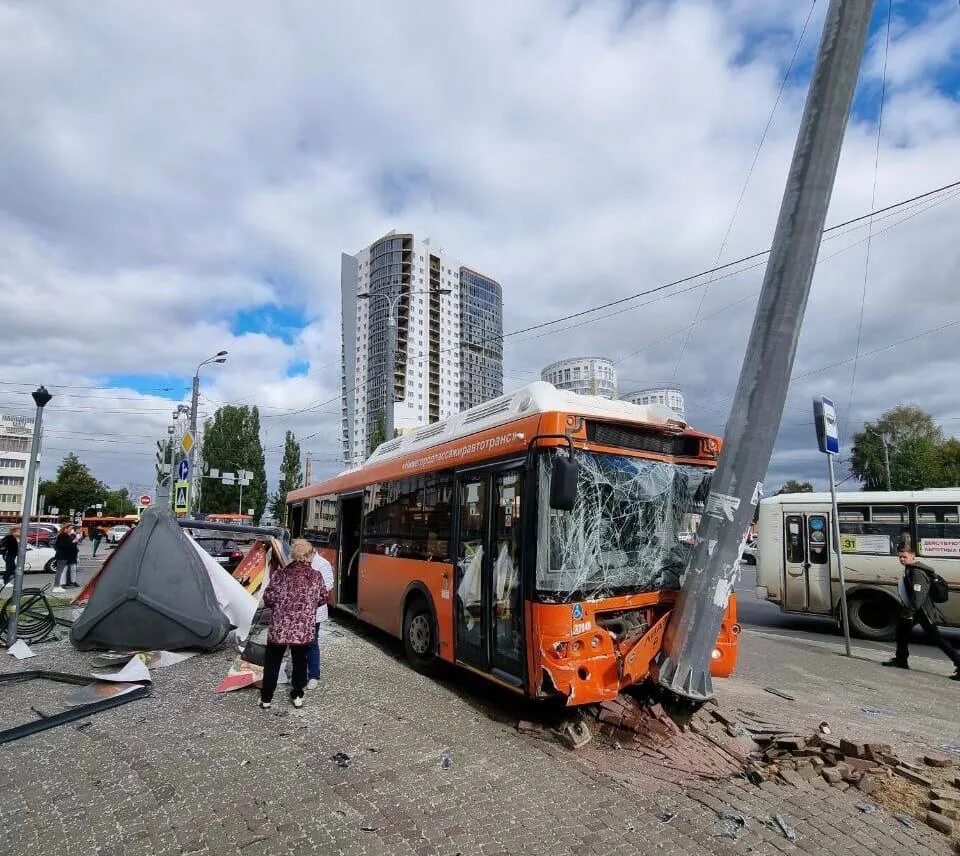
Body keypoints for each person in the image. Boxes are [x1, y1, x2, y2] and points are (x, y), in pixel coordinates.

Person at [259, 539, 328, 710]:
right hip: (302, 630)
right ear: (309, 556)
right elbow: (322, 598)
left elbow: (268, 599)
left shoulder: (280, 575)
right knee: (300, 662)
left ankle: (266, 698)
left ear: (292, 555)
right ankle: (297, 695)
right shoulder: (315, 576)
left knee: (272, 662)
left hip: (279, 629)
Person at [883, 547, 960, 680]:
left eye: (904, 557)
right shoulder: (910, 569)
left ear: (913, 557)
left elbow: (919, 595)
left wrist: (910, 611)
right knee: (902, 633)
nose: (901, 559)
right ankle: (901, 660)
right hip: (914, 610)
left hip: (921, 611)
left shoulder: (917, 572)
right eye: (900, 557)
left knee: (937, 638)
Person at [306, 547, 335, 690]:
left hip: (315, 610)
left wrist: (312, 592)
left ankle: (313, 675)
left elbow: (329, 584)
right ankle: (301, 672)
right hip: (299, 612)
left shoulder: (322, 564)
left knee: (312, 641)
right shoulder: (297, 562)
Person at [53, 524, 80, 593]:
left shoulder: (71, 535)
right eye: (70, 528)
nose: (71, 529)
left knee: (73, 569)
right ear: (66, 528)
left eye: (71, 528)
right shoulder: (62, 535)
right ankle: (63, 583)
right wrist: (72, 542)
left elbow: (73, 544)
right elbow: (61, 546)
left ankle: (73, 581)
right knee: (64, 570)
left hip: (71, 556)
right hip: (63, 555)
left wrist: (74, 543)